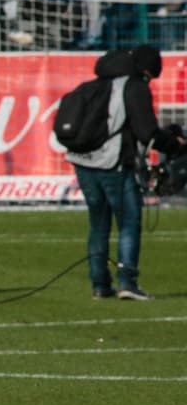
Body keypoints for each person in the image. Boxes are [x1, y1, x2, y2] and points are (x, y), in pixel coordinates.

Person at [65, 45, 184, 301]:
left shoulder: (94, 86)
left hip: (83, 163)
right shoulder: (133, 87)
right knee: (129, 221)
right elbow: (147, 132)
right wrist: (174, 145)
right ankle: (127, 281)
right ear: (146, 70)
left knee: (98, 223)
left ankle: (100, 284)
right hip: (113, 165)